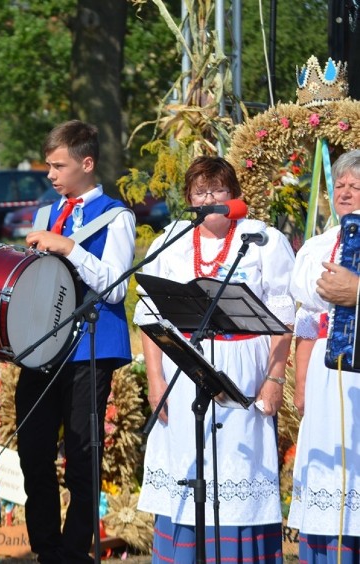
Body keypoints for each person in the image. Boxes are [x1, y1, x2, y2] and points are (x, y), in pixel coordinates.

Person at [134, 156, 295, 562]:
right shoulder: (172, 239)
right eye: (200, 191)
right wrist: (155, 380)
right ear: (189, 198)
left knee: (240, 470)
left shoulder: (262, 239)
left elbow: (285, 318)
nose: (208, 199)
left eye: (217, 190)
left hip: (245, 372)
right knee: (188, 466)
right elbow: (149, 316)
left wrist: (275, 379)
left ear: (233, 195)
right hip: (184, 368)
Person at [18, 119, 135, 562]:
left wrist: (68, 248)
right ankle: (47, 549)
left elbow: (117, 286)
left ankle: (73, 551)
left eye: (58, 165)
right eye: (48, 165)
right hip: (43, 344)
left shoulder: (117, 216)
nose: (50, 174)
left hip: (91, 346)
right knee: (33, 452)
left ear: (86, 164)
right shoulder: (46, 213)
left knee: (83, 456)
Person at [288, 149, 360, 562]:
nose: (345, 192)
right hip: (323, 371)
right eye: (341, 186)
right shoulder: (316, 246)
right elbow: (307, 322)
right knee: (328, 469)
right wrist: (300, 386)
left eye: (356, 186)